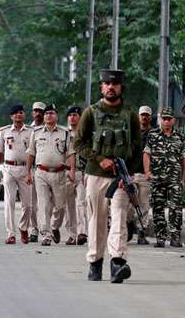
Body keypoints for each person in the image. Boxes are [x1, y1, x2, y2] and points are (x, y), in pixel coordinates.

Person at [73, 69, 141, 283]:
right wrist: (100, 159)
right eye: (107, 84)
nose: (111, 87)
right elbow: (79, 143)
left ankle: (118, 262)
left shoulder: (130, 115)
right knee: (97, 220)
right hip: (96, 175)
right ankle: (95, 263)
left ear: (121, 87)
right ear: (101, 87)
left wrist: (127, 174)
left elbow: (138, 146)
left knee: (119, 218)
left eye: (115, 85)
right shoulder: (91, 113)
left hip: (120, 176)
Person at [26, 104, 75, 246]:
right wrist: (28, 172)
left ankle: (54, 226)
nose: (48, 115)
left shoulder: (64, 132)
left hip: (59, 173)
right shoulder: (36, 132)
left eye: (51, 113)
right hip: (41, 172)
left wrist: (71, 170)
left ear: (56, 116)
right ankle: (46, 234)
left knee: (60, 206)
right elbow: (30, 153)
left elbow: (70, 153)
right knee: (43, 205)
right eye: (46, 113)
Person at [144, 107, 185, 248]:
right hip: (157, 178)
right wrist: (147, 172)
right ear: (160, 119)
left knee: (176, 208)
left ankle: (175, 237)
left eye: (169, 119)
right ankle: (161, 238)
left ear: (173, 120)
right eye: (164, 118)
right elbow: (146, 153)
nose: (167, 121)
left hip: (174, 178)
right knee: (158, 208)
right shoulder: (153, 134)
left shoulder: (180, 136)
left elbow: (183, 158)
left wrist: (183, 178)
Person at [0, 104, 33, 244]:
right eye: (15, 113)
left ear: (24, 115)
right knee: (9, 202)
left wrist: (30, 171)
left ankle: (23, 227)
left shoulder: (31, 132)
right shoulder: (4, 131)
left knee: (28, 204)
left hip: (26, 169)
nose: (18, 115)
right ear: (11, 116)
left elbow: (33, 152)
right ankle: (11, 233)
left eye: (21, 112)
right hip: (8, 168)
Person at [127, 105, 155, 245]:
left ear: (150, 117)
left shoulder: (155, 134)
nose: (144, 117)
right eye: (142, 114)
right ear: (139, 116)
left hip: (145, 174)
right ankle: (129, 225)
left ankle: (142, 232)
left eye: (147, 115)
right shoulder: (131, 133)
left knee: (144, 204)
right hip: (131, 173)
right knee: (128, 204)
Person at [66, 106, 87, 245]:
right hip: (66, 171)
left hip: (82, 172)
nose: (72, 117)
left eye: (75, 115)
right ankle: (71, 234)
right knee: (69, 206)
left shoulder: (85, 134)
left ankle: (82, 232)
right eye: (70, 115)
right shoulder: (63, 134)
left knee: (81, 203)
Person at [27, 101, 46, 242]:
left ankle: (47, 228)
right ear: (32, 112)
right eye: (35, 111)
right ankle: (34, 229)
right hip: (33, 169)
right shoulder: (28, 130)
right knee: (32, 203)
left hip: (49, 170)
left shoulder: (52, 128)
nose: (38, 113)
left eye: (41, 111)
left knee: (47, 203)